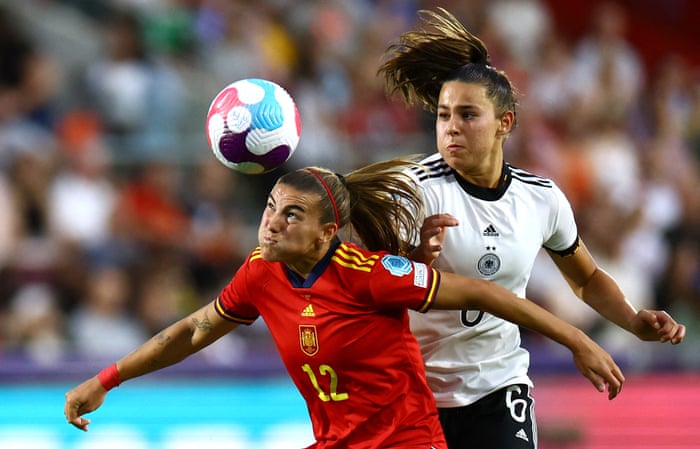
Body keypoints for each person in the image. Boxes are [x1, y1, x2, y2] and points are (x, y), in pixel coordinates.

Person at [65, 158, 625, 449]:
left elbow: (485, 293)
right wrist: (106, 380)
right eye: (270, 205)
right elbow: (191, 332)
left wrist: (578, 340)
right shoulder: (260, 274)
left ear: (327, 232)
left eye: (292, 215)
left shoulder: (370, 276)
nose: (272, 221)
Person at [377, 8, 686, 449]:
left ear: (505, 123)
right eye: (444, 115)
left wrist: (634, 320)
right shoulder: (412, 190)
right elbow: (369, 285)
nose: (451, 129)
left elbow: (588, 279)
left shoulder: (540, 197)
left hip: (499, 385)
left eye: (468, 115)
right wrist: (415, 260)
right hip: (416, 390)